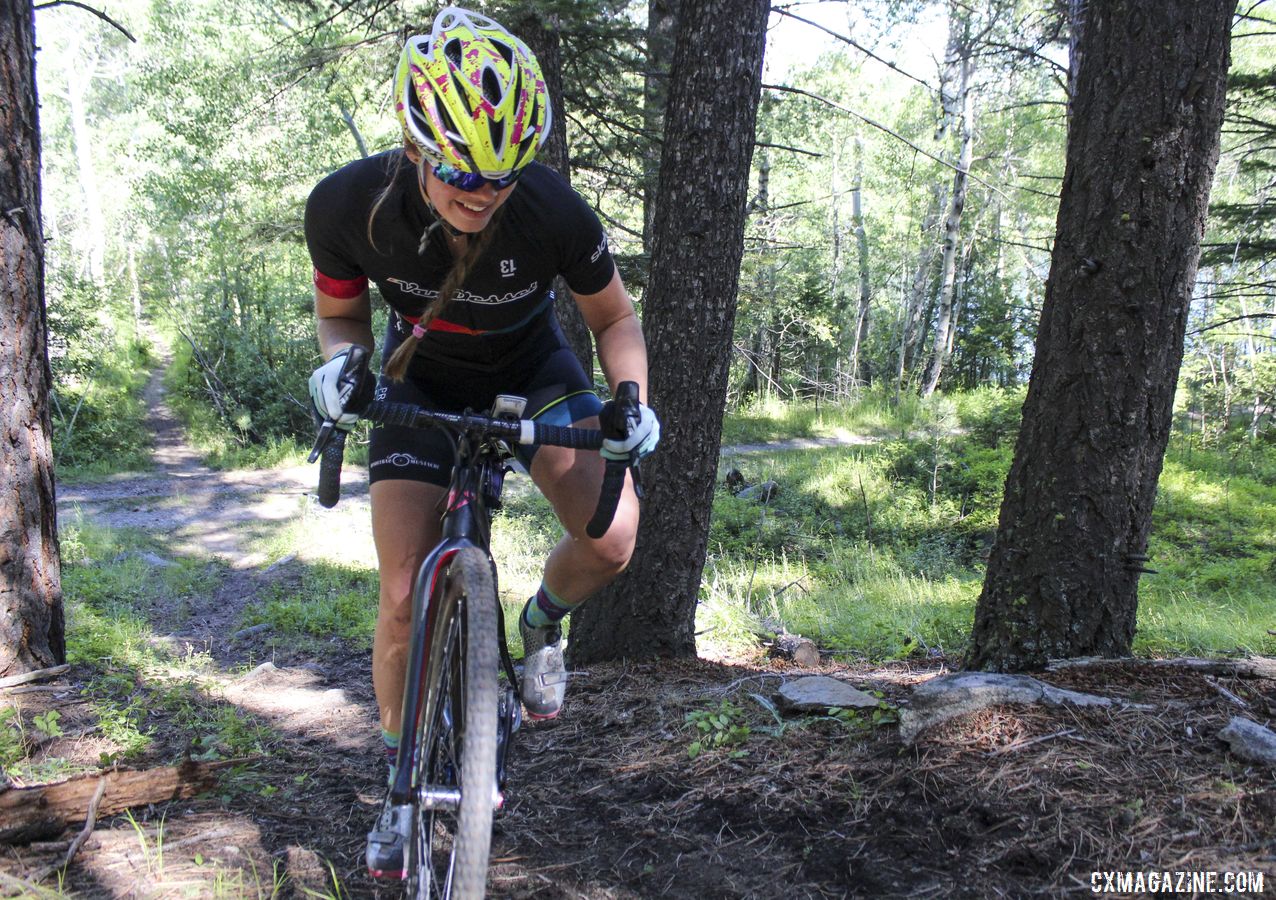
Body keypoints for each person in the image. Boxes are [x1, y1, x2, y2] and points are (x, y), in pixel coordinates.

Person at [303, 6, 659, 882]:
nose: (481, 192)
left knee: (613, 537)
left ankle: (538, 625)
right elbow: (341, 312)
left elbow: (612, 316)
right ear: (416, 142)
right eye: (461, 170)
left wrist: (631, 400)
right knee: (397, 594)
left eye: (502, 176)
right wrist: (342, 369)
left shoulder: (548, 211)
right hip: (420, 379)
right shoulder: (349, 206)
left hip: (533, 366)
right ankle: (396, 787)